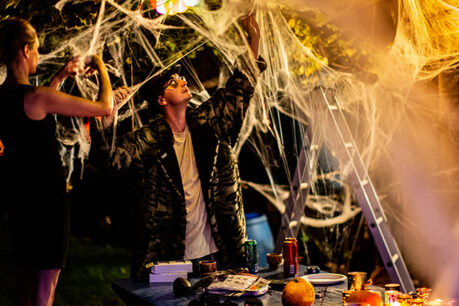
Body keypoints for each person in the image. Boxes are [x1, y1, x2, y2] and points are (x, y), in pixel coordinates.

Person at [102, 14, 265, 280]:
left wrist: (253, 40)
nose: (183, 81)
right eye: (173, 82)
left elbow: (240, 89)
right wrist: (107, 119)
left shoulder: (207, 125)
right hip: (171, 261)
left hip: (219, 254)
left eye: (182, 77)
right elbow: (112, 160)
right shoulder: (149, 140)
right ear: (161, 99)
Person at [0, 17, 113, 306]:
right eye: (36, 49)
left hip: (19, 198)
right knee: (44, 291)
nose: (38, 55)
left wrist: (60, 77)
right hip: (47, 202)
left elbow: (35, 117)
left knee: (25, 285)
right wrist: (99, 64)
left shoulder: (5, 96)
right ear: (26, 51)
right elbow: (104, 106)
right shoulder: (38, 96)